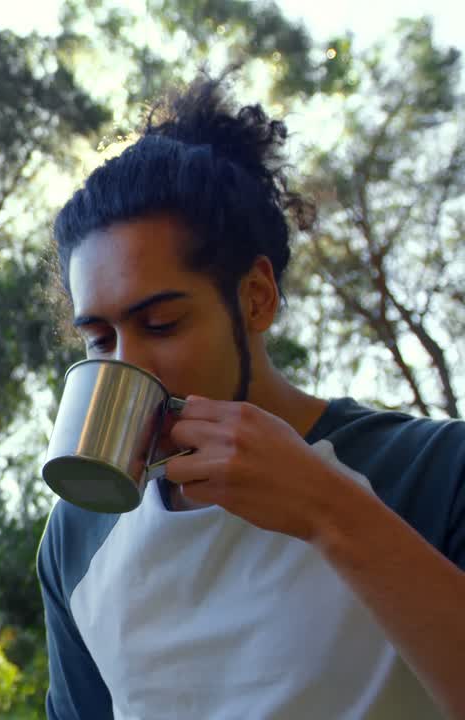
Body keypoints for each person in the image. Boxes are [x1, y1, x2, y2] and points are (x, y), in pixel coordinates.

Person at [39, 78, 465, 719]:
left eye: (161, 325)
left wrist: (330, 511)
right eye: (100, 338)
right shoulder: (79, 532)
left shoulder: (433, 473)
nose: (128, 365)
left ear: (256, 297)